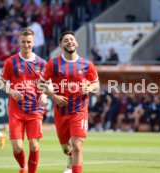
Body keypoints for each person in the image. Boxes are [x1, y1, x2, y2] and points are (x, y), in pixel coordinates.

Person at [38, 31, 100, 173]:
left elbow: (96, 83)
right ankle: (70, 161)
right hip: (61, 112)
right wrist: (53, 97)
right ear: (61, 45)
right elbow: (40, 84)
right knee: (67, 148)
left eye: (72, 39)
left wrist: (89, 88)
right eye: (66, 40)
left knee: (77, 144)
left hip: (79, 110)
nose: (70, 41)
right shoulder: (53, 64)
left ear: (76, 43)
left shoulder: (86, 64)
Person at [1, 28, 47, 173]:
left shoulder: (42, 63)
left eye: (29, 42)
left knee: (34, 145)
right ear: (19, 42)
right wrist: (11, 91)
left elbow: (47, 83)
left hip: (35, 109)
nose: (26, 45)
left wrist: (45, 94)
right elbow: (1, 83)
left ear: (33, 43)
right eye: (23, 42)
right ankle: (23, 166)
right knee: (17, 147)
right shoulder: (11, 62)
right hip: (16, 110)